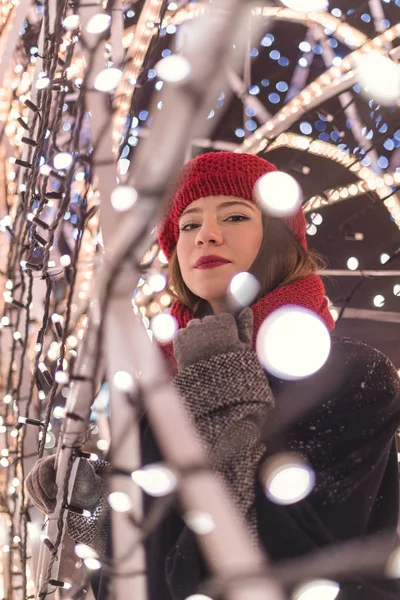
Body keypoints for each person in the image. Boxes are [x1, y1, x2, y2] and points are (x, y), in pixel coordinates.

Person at [26, 152, 400, 600]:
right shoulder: (168, 388)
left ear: (280, 239)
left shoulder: (346, 373)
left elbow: (286, 563)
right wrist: (101, 512)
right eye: (188, 225)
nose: (206, 235)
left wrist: (220, 377)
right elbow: (158, 567)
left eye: (236, 215)